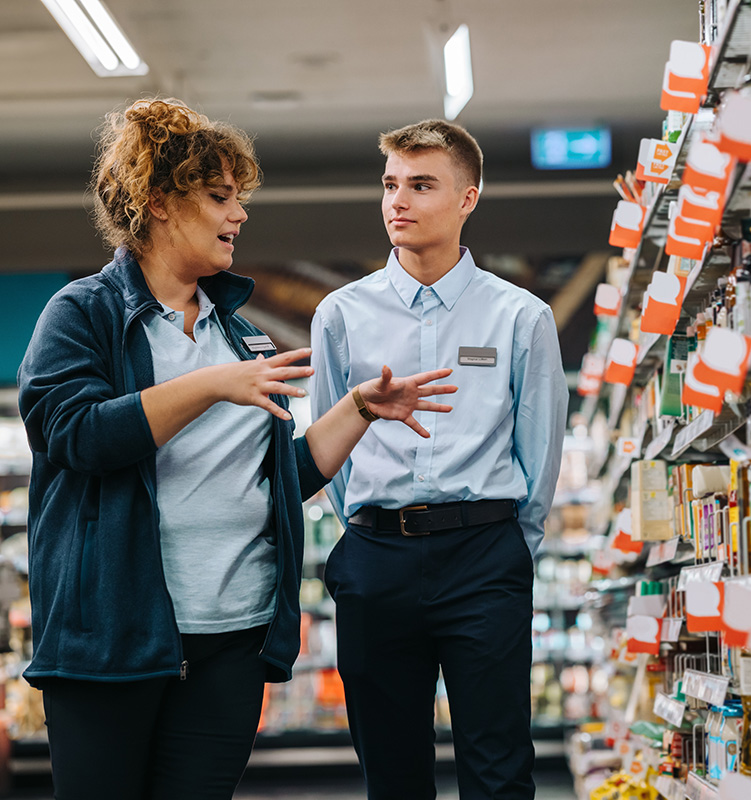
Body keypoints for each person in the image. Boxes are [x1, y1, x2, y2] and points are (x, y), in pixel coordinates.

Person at [16, 98, 457, 800]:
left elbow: (276, 479)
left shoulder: (239, 335)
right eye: (220, 197)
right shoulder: (84, 314)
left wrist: (359, 411)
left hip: (232, 641)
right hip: (114, 640)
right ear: (158, 203)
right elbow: (72, 435)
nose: (240, 215)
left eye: (239, 198)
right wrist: (210, 385)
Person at [310, 119, 569, 800]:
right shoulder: (341, 315)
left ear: (467, 199)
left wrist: (511, 548)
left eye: (422, 185)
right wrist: (369, 532)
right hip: (376, 560)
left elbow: (539, 454)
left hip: (484, 556)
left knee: (499, 769)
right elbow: (327, 448)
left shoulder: (520, 317)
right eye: (391, 184)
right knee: (392, 775)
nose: (399, 200)